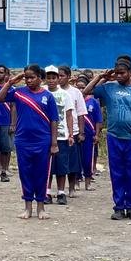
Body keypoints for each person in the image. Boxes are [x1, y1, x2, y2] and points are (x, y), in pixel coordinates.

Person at [88, 60, 131, 221]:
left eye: (122, 73)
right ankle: (119, 207)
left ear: (130, 73)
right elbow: (87, 91)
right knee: (117, 173)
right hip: (114, 137)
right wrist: (101, 77)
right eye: (117, 73)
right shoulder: (109, 88)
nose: (119, 75)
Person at [0, 65, 58, 220]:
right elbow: (0, 98)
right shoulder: (19, 92)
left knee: (42, 174)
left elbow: (54, 120)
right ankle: (27, 207)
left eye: (32, 77)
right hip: (23, 141)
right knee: (25, 173)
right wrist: (10, 82)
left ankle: (41, 207)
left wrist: (54, 143)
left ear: (40, 78)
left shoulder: (48, 96)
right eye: (26, 77)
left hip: (43, 141)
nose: (29, 80)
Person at [45, 66, 78, 206]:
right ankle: (46, 192)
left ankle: (61, 192)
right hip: (45, 135)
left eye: (54, 78)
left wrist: (71, 134)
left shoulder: (65, 95)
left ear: (58, 79)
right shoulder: (43, 92)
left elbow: (69, 115)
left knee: (61, 166)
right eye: (49, 78)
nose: (51, 81)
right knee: (47, 166)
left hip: (61, 136)